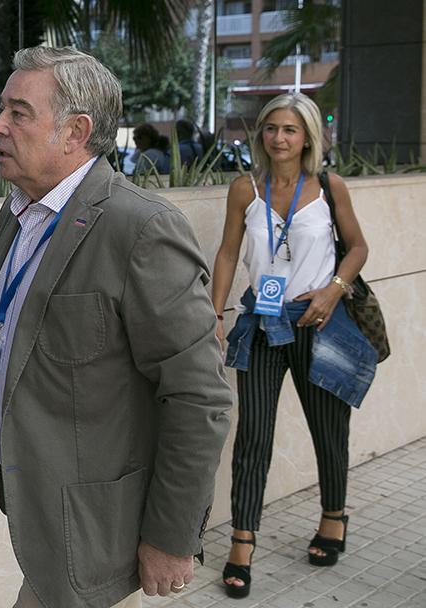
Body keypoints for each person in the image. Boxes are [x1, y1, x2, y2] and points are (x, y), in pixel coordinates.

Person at [0, 46, 232, 608]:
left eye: (18, 113)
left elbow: (199, 397)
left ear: (75, 132)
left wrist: (170, 538)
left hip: (94, 531)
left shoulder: (141, 229)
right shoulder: (23, 208)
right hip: (42, 510)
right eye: (1, 109)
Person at [212, 92, 377, 599]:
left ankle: (333, 517)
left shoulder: (329, 187)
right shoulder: (245, 189)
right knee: (253, 437)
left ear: (307, 137)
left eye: (290, 130)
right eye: (271, 128)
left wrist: (333, 290)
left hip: (318, 320)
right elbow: (228, 252)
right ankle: (242, 542)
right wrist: (214, 313)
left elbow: (358, 247)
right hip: (262, 324)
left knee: (329, 430)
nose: (278, 138)